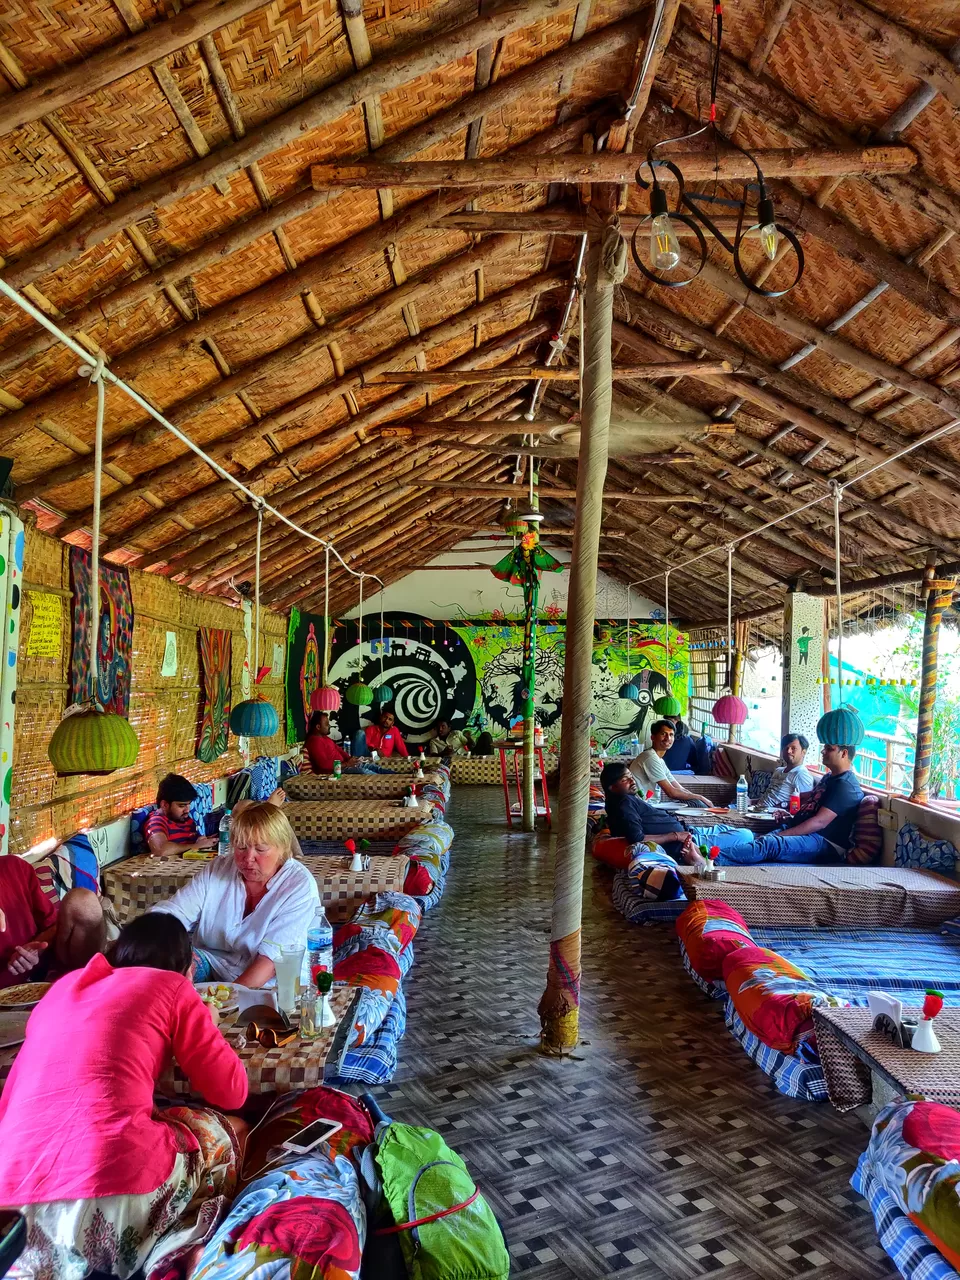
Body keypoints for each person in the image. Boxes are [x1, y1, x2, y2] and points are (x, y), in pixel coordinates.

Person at [0, 913, 248, 1280]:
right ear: (188, 968)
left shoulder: (63, 988)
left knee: (160, 1120)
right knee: (229, 1130)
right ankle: (178, 1252)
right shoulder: (173, 986)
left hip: (13, 1206)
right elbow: (232, 1092)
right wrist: (205, 1021)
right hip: (108, 1183)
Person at [152, 802, 318, 987]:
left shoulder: (298, 885)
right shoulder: (218, 869)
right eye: (241, 847)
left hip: (272, 982)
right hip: (213, 962)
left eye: (260, 849)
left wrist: (226, 1000)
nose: (248, 858)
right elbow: (174, 913)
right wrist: (144, 937)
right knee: (166, 964)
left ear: (282, 849)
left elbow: (270, 962)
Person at [709, 742, 865, 865]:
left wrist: (781, 834)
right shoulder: (829, 778)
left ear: (844, 753)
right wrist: (788, 811)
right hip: (805, 831)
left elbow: (819, 822)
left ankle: (710, 860)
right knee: (749, 836)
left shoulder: (846, 786)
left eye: (829, 749)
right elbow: (809, 801)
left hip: (824, 842)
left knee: (770, 843)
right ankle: (702, 844)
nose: (823, 751)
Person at [0, 856, 106, 989]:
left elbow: (53, 925)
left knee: (83, 902)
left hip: (43, 970)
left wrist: (37, 948)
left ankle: (89, 988)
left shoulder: (14, 867)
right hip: (6, 992)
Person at [600, 763, 707, 867]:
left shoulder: (615, 802)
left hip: (687, 835)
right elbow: (637, 838)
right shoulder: (624, 803)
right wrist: (676, 836)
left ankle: (704, 861)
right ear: (612, 788)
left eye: (631, 777)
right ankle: (702, 862)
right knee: (722, 842)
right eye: (625, 780)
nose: (632, 781)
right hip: (685, 843)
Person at [630, 720, 712, 805]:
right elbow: (671, 792)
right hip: (644, 805)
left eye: (671, 735)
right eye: (663, 734)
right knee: (697, 803)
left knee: (696, 802)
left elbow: (679, 788)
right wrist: (701, 797)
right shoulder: (650, 757)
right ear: (653, 737)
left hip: (652, 804)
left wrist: (699, 798)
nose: (668, 738)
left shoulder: (659, 760)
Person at [145, 773, 217, 856]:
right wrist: (196, 846)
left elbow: (190, 842)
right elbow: (161, 850)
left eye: (189, 804)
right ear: (164, 805)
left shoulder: (184, 819)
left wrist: (204, 840)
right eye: (182, 806)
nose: (187, 810)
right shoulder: (156, 822)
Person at [753, 733, 815, 812]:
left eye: (793, 748)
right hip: (757, 810)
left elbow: (805, 804)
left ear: (803, 752)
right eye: (786, 748)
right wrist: (751, 801)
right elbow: (770, 797)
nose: (789, 751)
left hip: (773, 817)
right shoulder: (778, 770)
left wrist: (782, 806)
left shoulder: (801, 775)